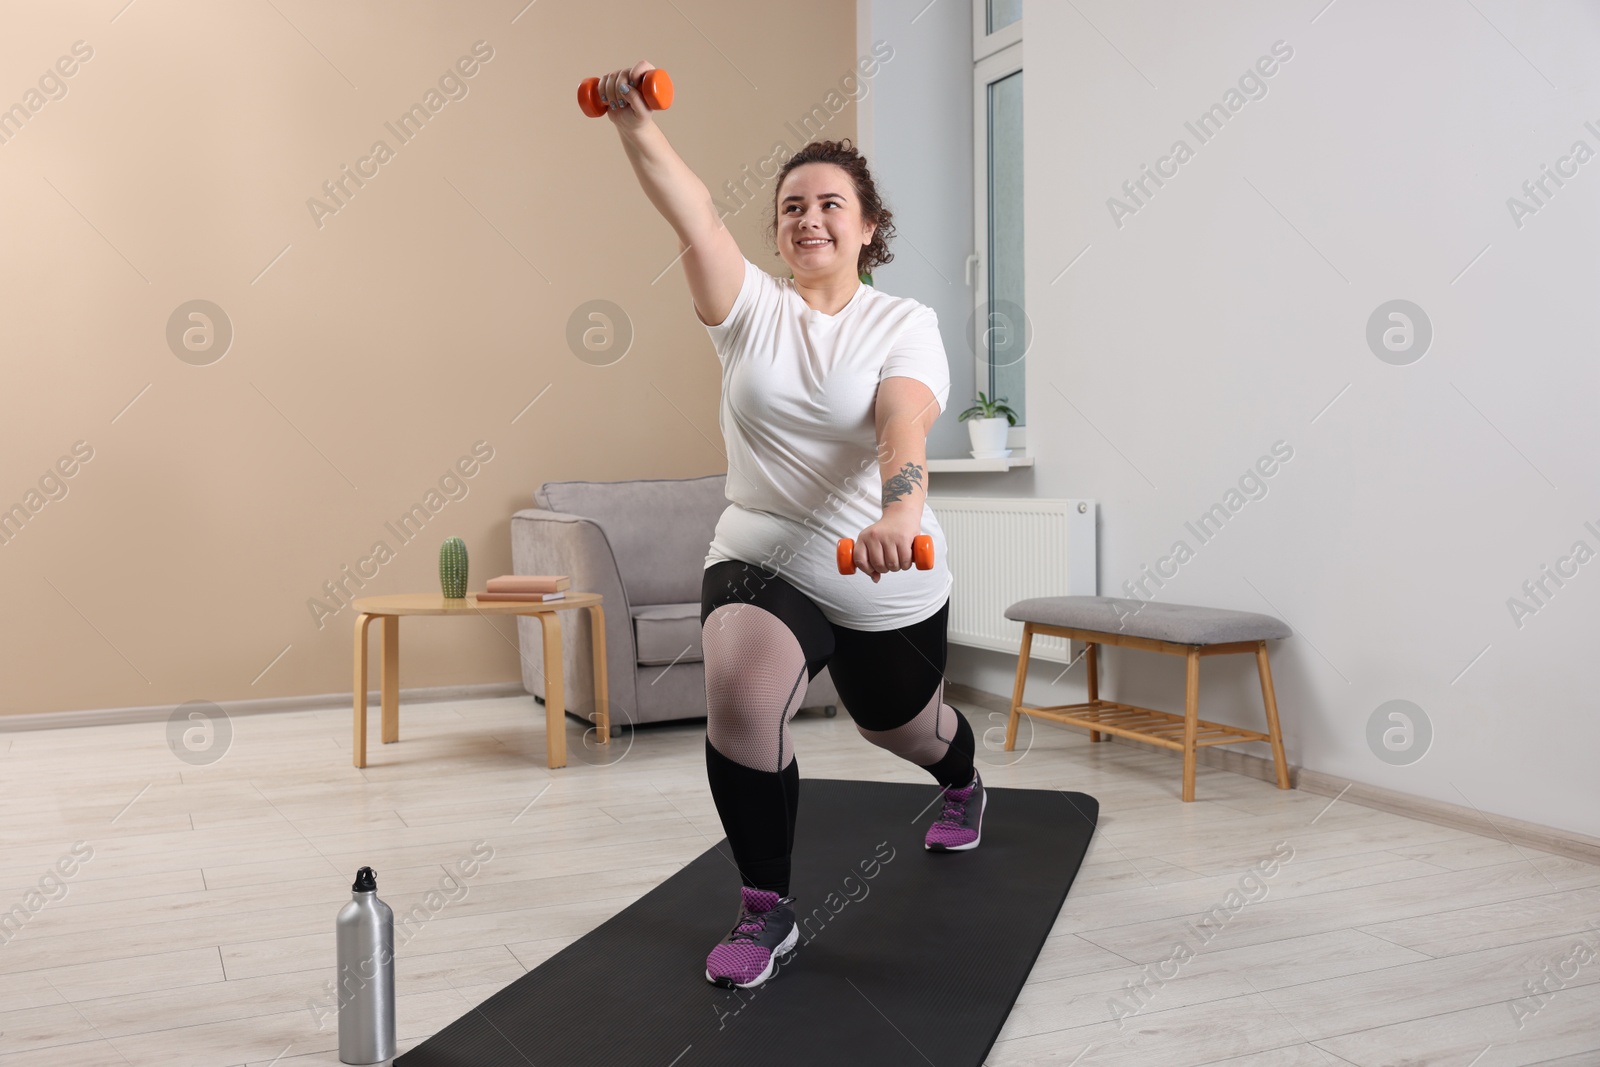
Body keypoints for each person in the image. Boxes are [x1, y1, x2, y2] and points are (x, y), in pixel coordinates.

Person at [597, 61, 983, 991]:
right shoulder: (748, 315)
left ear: (868, 227)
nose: (808, 219)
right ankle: (767, 907)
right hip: (762, 552)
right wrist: (631, 119)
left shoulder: (904, 321)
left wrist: (903, 509)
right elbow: (692, 213)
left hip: (885, 572)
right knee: (741, 690)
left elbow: (901, 420)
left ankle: (965, 780)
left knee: (907, 728)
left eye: (829, 204)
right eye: (791, 207)